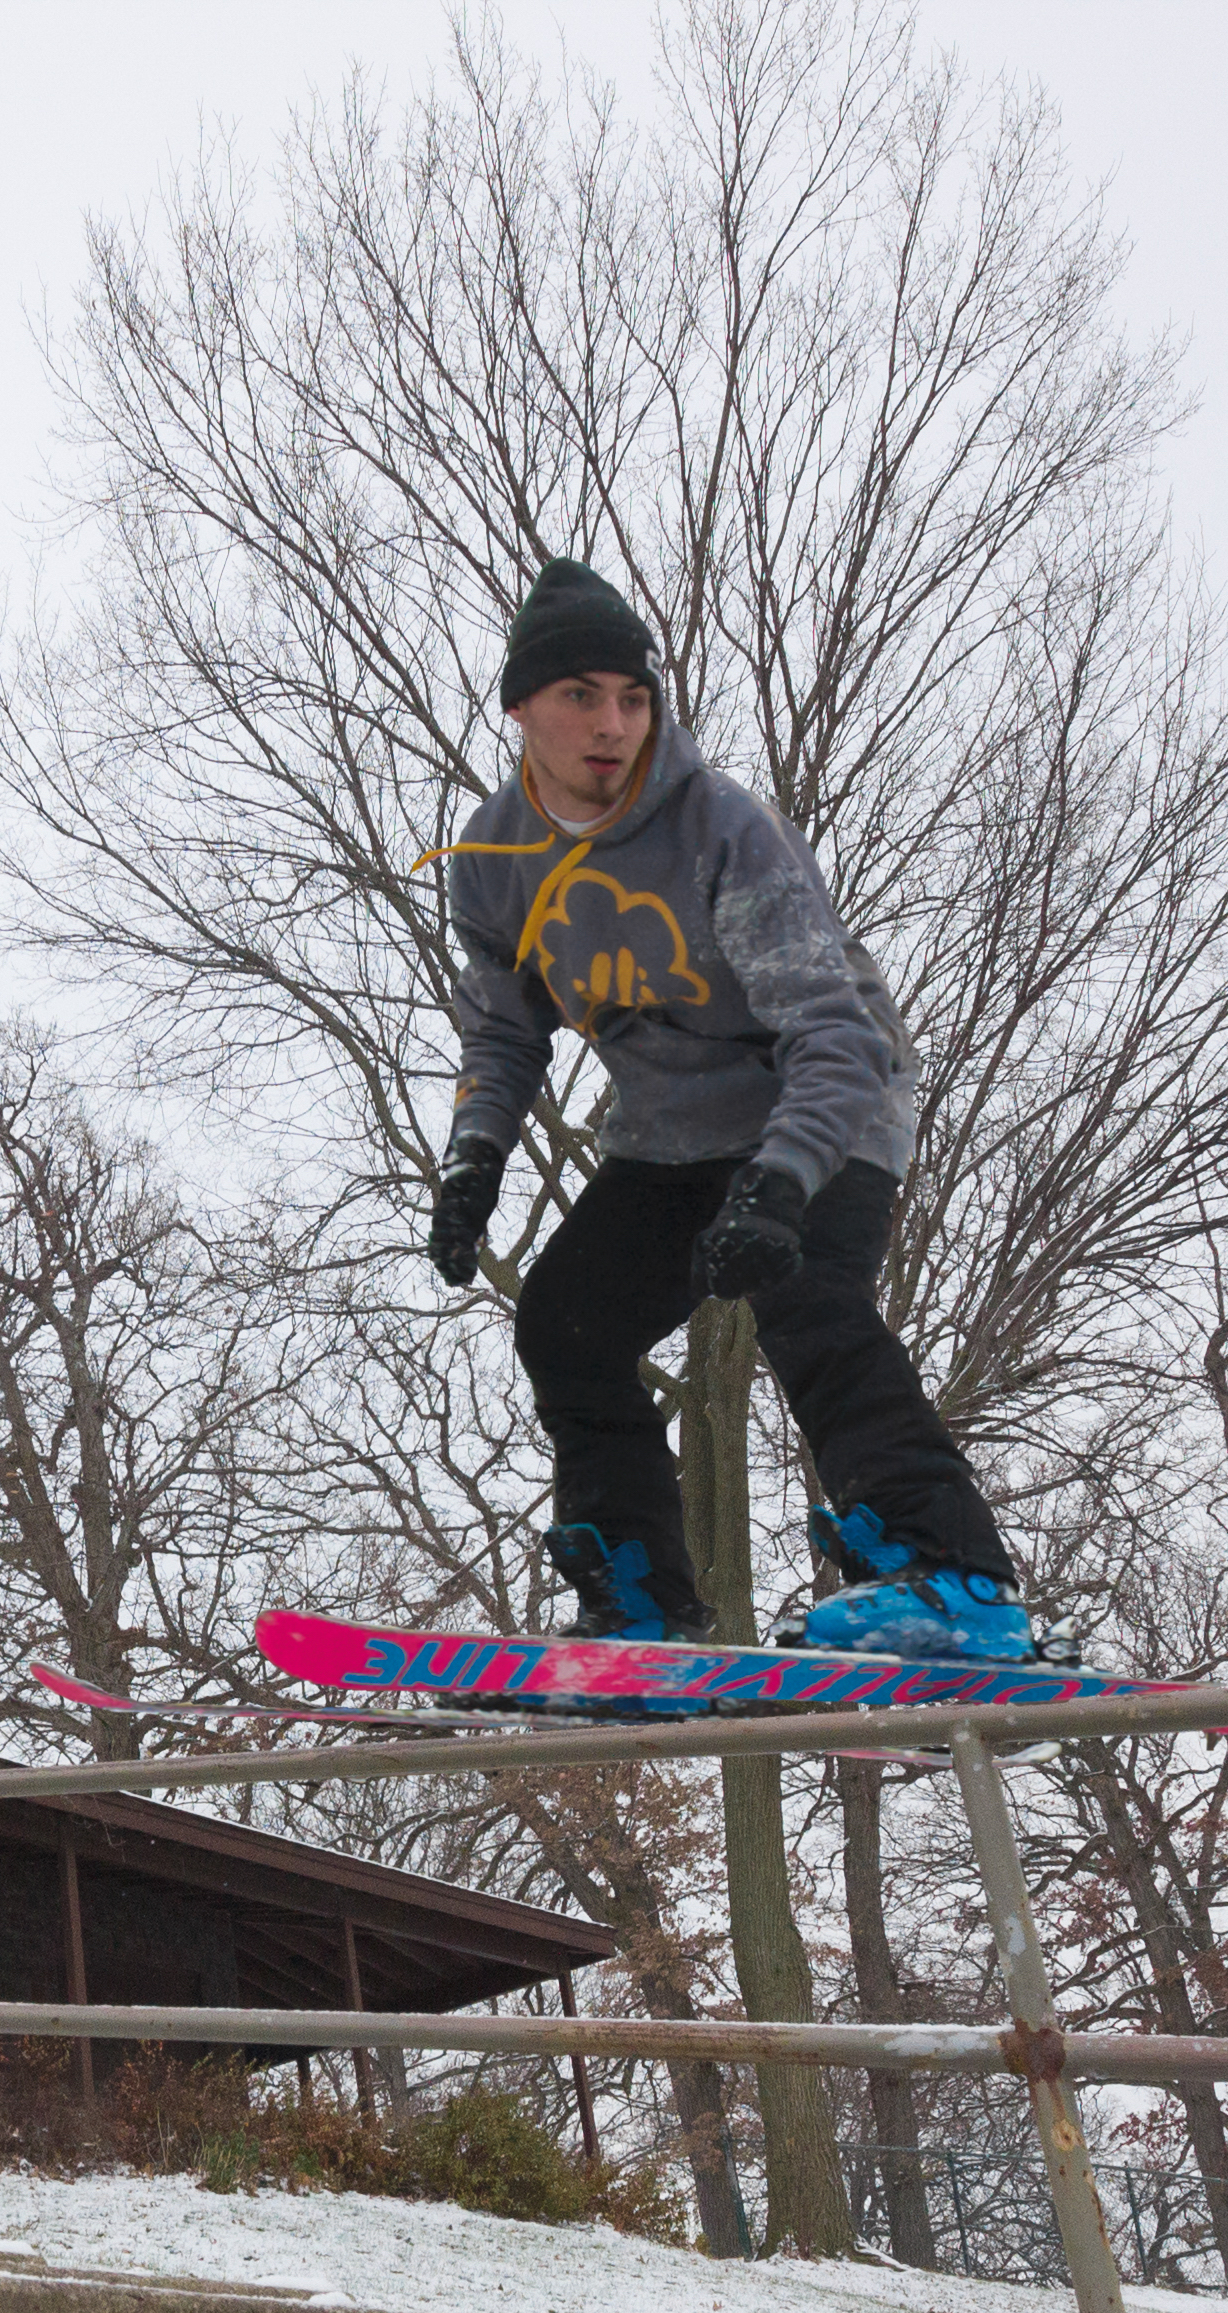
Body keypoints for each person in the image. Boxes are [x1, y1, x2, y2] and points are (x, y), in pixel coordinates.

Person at [422, 556, 1033, 1663]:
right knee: (567, 1319)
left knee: (804, 1295)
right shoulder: (491, 863)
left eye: (634, 698)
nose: (613, 725)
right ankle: (645, 1605)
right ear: (522, 708)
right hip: (673, 1130)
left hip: (828, 1098)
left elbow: (833, 1029)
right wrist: (475, 1156)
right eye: (581, 698)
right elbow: (506, 1030)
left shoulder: (718, 827)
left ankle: (953, 1581)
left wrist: (783, 1185)